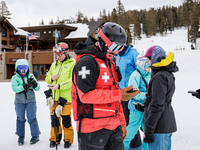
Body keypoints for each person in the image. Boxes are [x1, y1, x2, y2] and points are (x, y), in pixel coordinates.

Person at [72, 22, 140, 150]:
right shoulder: (87, 61)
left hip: (113, 127)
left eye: (120, 48)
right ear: (103, 40)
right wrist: (120, 94)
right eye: (115, 47)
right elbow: (86, 96)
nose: (117, 52)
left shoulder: (109, 62)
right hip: (92, 129)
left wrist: (122, 123)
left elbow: (114, 94)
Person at [142, 45, 178, 150]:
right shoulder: (166, 73)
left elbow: (157, 105)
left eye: (148, 59)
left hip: (159, 125)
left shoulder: (159, 77)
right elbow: (161, 99)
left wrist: (148, 130)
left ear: (154, 59)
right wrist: (144, 107)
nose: (148, 62)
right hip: (165, 122)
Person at [45, 42, 75, 148]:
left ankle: (68, 140)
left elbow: (72, 81)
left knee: (66, 120)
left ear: (66, 53)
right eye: (57, 55)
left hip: (66, 99)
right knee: (54, 120)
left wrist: (59, 86)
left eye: (60, 55)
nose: (58, 57)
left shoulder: (72, 63)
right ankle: (54, 139)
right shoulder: (54, 64)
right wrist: (51, 78)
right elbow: (47, 78)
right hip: (54, 98)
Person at [11, 59, 41, 146]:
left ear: (28, 69)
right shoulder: (15, 78)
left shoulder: (31, 76)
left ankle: (35, 135)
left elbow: (38, 88)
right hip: (19, 101)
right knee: (20, 118)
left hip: (30, 100)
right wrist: (24, 86)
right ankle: (21, 136)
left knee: (32, 118)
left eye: (25, 69)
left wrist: (35, 84)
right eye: (21, 69)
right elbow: (14, 88)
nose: (23, 72)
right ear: (17, 69)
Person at [123, 56, 151, 150]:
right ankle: (123, 147)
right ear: (141, 65)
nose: (148, 68)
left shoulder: (148, 74)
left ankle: (147, 148)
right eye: (147, 67)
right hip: (136, 108)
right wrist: (148, 96)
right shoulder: (135, 75)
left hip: (146, 107)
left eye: (149, 66)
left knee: (148, 132)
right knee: (131, 131)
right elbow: (133, 93)